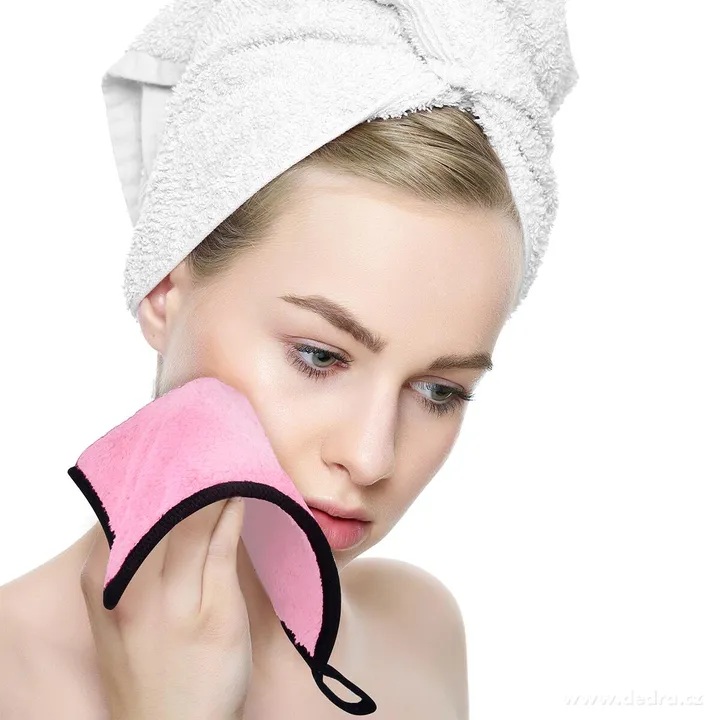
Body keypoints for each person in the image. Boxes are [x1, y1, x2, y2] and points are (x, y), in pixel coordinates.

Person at [0, 104, 523, 718]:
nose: (370, 458)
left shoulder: (418, 631)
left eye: (438, 391)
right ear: (164, 292)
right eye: (319, 356)